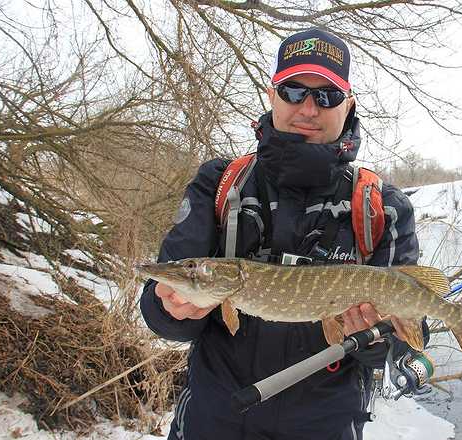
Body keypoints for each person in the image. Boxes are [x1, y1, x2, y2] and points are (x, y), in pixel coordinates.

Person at [140, 28, 426, 440]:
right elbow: (159, 310)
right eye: (293, 91)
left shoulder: (383, 206)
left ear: (348, 105)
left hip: (326, 427)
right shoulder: (221, 183)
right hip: (213, 422)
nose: (308, 108)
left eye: (325, 96)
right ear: (272, 96)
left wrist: (375, 340)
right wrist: (171, 310)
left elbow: (402, 343)